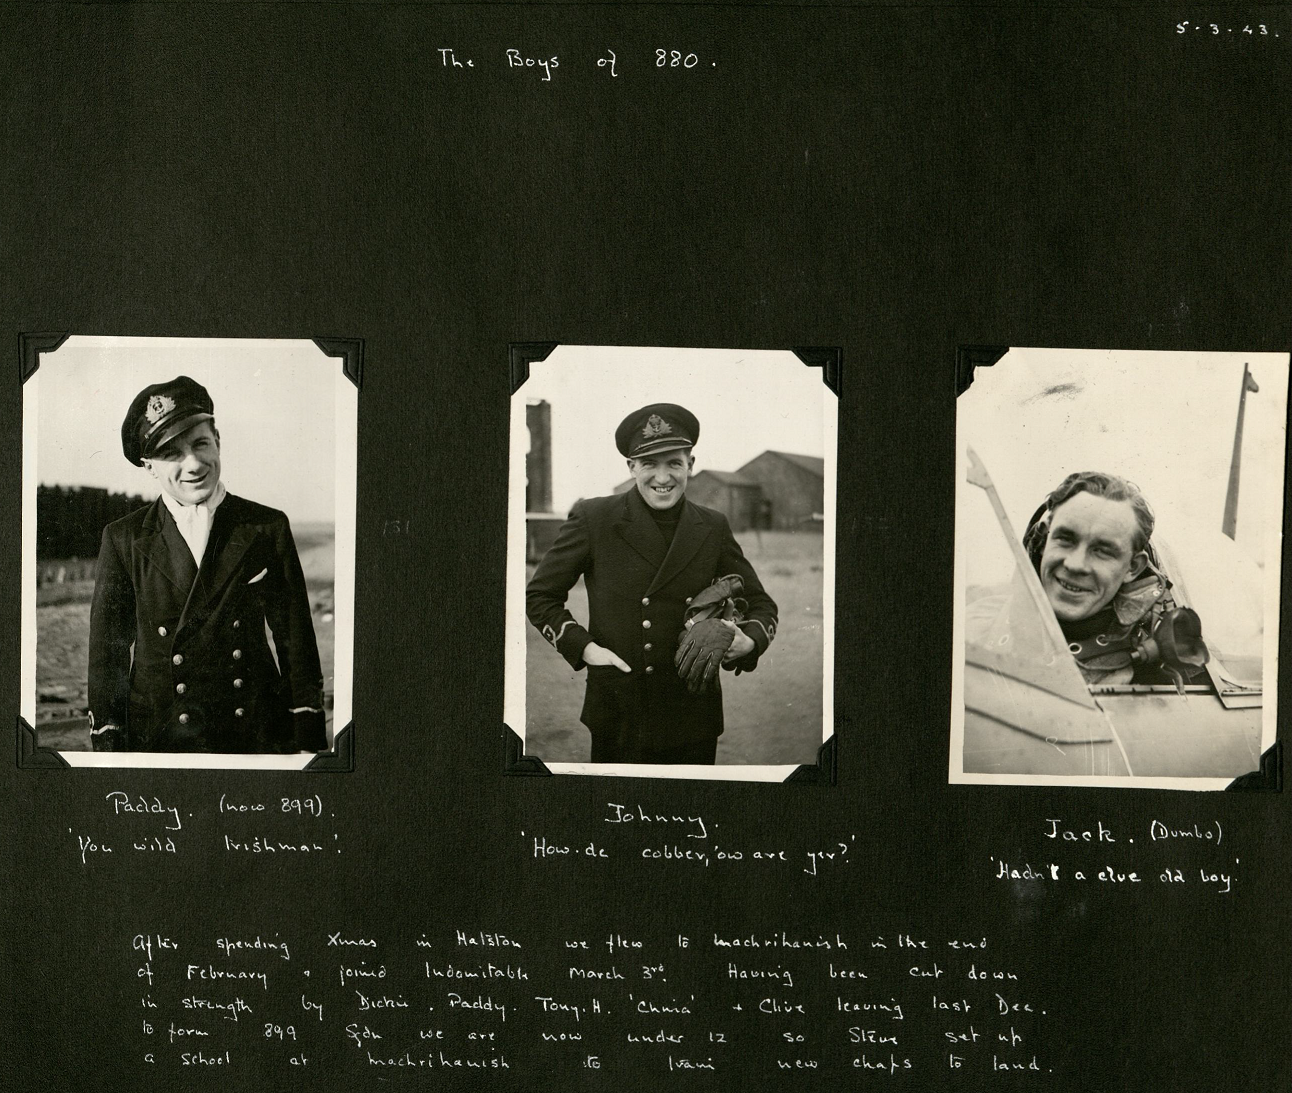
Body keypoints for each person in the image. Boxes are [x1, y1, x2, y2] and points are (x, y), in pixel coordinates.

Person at [526, 403, 779, 764]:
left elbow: (761, 603)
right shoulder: (594, 518)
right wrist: (585, 649)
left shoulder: (713, 525)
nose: (663, 477)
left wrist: (748, 639)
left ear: (691, 464)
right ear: (631, 467)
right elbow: (540, 595)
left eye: (674, 463)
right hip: (619, 708)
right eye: (649, 464)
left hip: (693, 711)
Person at [87, 376, 326, 753]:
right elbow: (108, 655)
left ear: (218, 440)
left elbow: (294, 639)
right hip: (160, 737)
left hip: (254, 731)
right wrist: (109, 739)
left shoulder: (266, 527)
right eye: (171, 454)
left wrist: (308, 732)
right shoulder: (123, 539)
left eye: (200, 444)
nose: (193, 464)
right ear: (149, 467)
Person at [1017, 471, 1208, 687]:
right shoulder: (980, 628)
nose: (1075, 564)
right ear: (1043, 543)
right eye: (1065, 539)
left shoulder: (1156, 679)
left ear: (1132, 568)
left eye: (1103, 551)